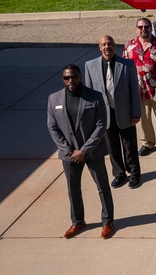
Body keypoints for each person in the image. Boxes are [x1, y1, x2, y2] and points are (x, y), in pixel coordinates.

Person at [47, 64, 115, 239]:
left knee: (103, 187)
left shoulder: (95, 97)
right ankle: (78, 221)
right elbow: (52, 127)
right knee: (73, 189)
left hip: (93, 152)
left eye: (74, 77)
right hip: (69, 155)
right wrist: (69, 151)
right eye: (66, 78)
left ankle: (107, 221)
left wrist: (84, 150)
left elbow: (101, 125)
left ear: (80, 77)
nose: (70, 81)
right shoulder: (54, 99)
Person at [84, 35, 142, 189]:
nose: (106, 47)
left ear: (115, 45)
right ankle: (119, 173)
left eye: (109, 44)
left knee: (129, 145)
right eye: (103, 44)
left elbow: (134, 91)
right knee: (111, 146)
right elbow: (89, 95)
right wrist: (92, 118)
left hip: (125, 113)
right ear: (99, 47)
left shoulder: (127, 64)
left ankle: (135, 173)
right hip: (104, 115)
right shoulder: (90, 66)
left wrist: (136, 113)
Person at [124, 17, 156, 156]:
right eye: (140, 27)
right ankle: (148, 143)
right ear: (137, 29)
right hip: (139, 90)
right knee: (144, 119)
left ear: (150, 28)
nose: (143, 29)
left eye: (146, 27)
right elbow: (124, 69)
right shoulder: (129, 46)